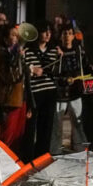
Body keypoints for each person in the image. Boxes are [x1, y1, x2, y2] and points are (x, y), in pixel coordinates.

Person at [51, 24, 93, 154]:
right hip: (60, 93)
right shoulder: (55, 51)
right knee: (57, 123)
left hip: (75, 92)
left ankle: (81, 151)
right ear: (61, 36)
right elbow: (52, 71)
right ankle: (55, 151)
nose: (67, 36)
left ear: (74, 36)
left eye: (70, 33)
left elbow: (86, 67)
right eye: (65, 33)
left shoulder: (79, 51)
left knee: (78, 122)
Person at [24, 21, 59, 161]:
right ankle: (27, 157)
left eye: (50, 32)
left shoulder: (54, 51)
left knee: (46, 126)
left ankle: (42, 158)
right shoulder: (28, 50)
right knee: (30, 126)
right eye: (45, 31)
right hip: (34, 92)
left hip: (50, 92)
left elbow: (56, 70)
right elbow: (24, 67)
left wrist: (60, 58)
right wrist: (32, 69)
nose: (48, 34)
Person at [0, 24, 28, 155]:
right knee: (8, 138)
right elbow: (12, 77)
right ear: (5, 39)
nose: (17, 38)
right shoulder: (1, 56)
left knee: (18, 137)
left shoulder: (15, 54)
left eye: (17, 35)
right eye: (13, 35)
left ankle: (15, 162)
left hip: (20, 99)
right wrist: (17, 57)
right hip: (9, 101)